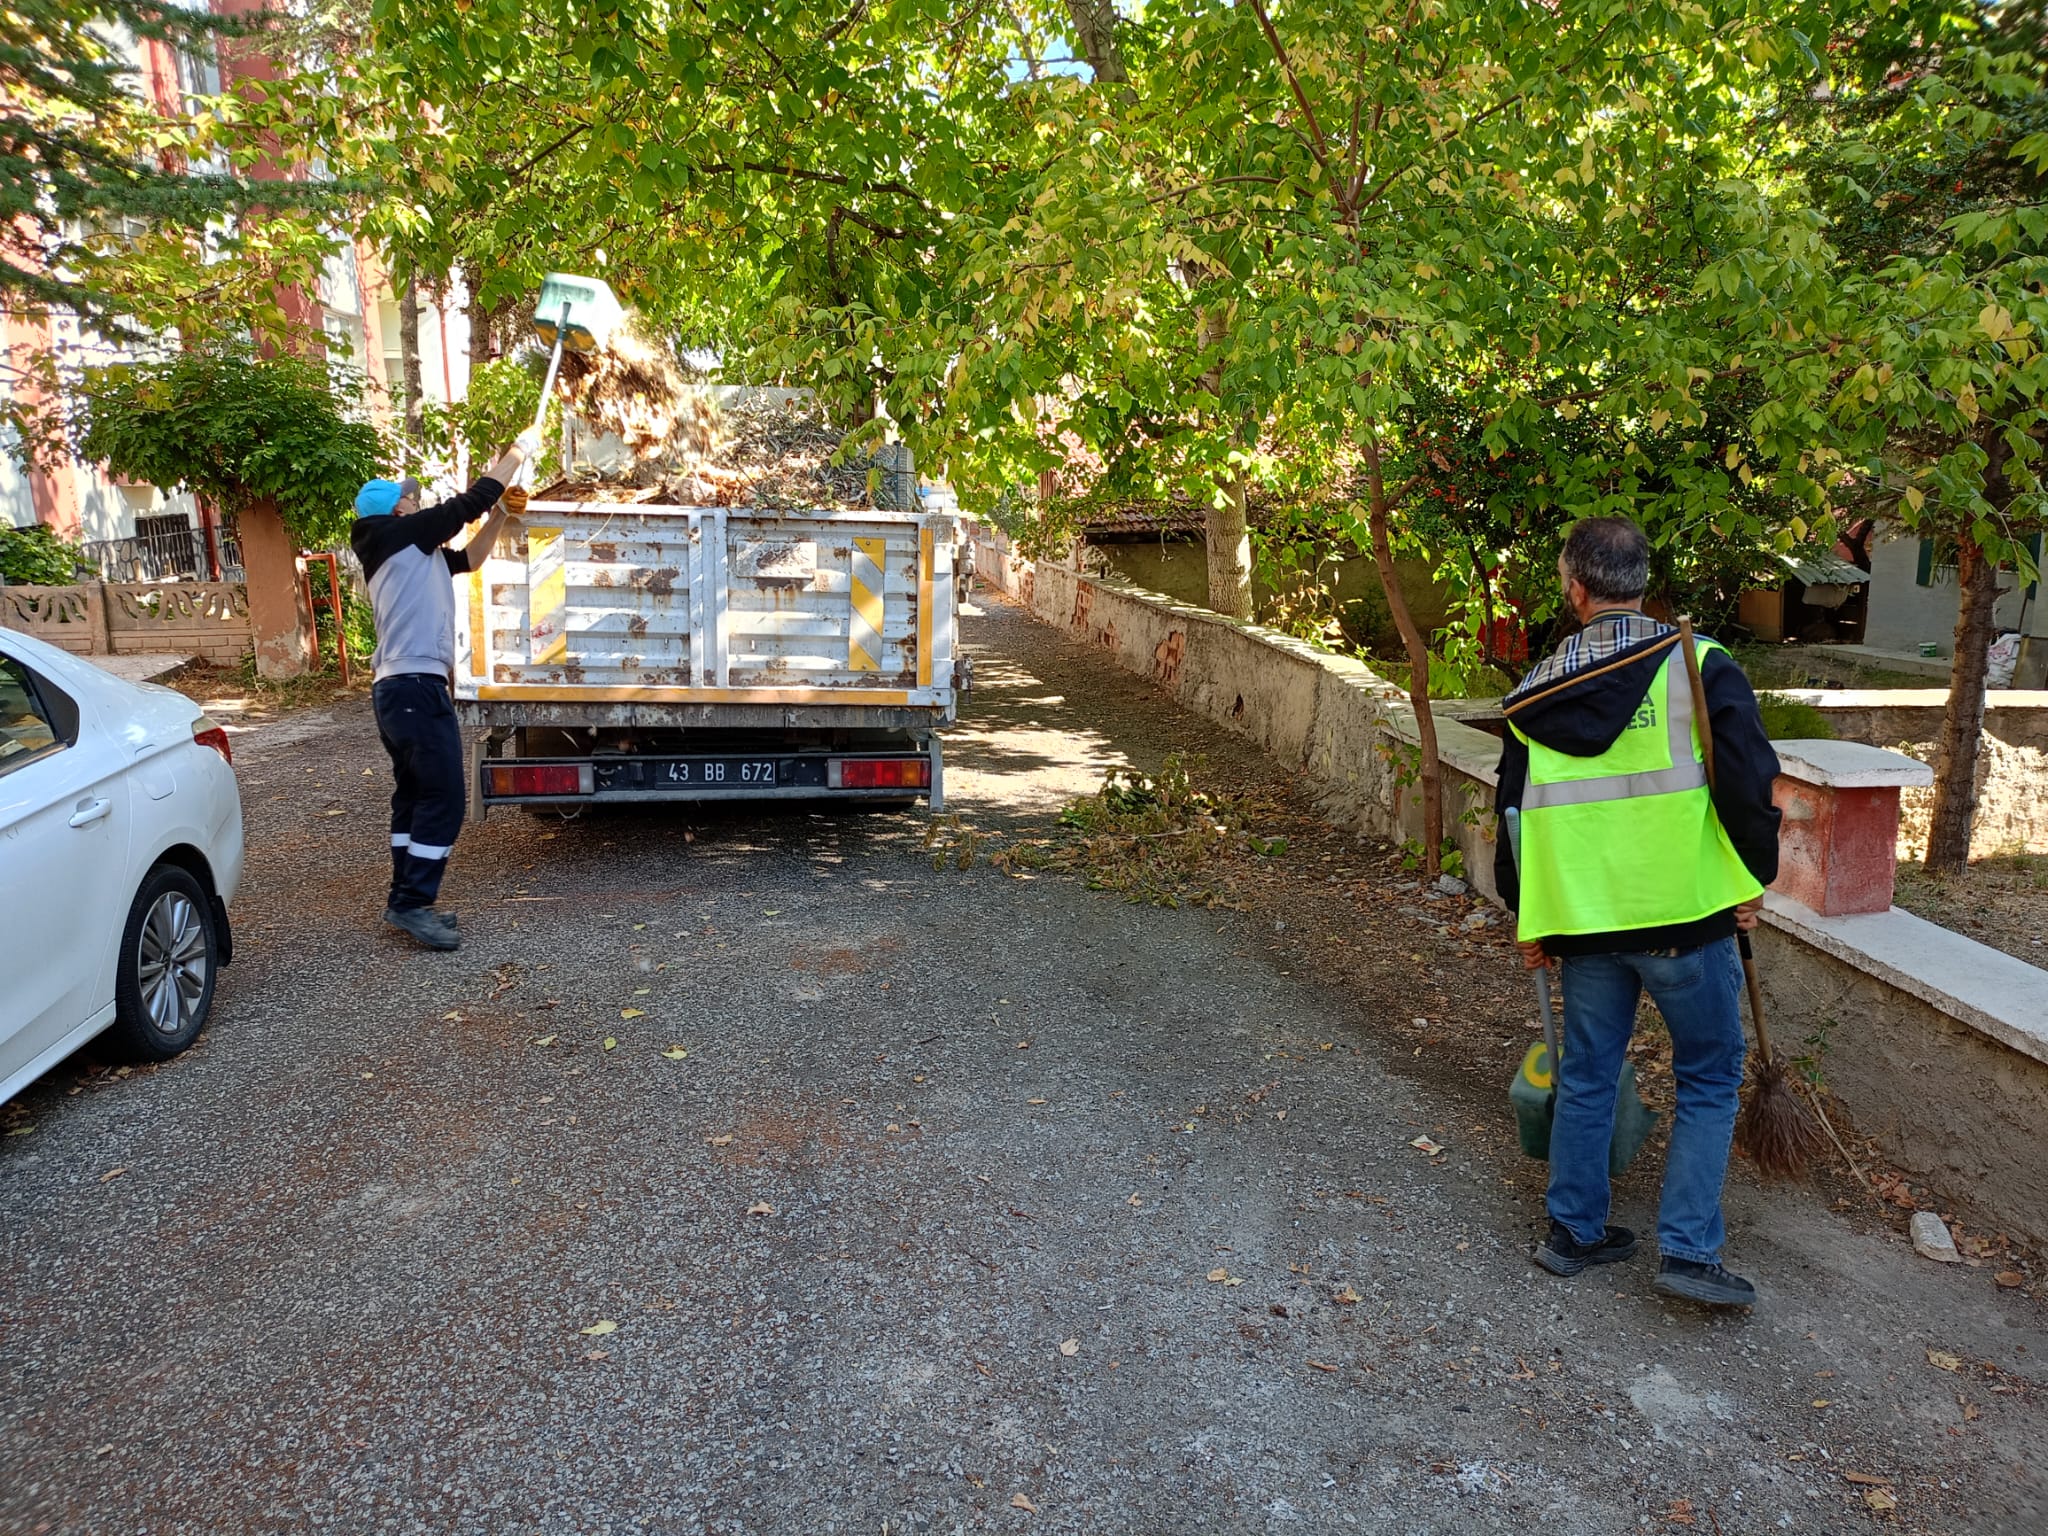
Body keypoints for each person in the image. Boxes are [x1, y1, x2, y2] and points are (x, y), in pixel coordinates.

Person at [1493, 516, 1782, 1310]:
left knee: (1587, 1075)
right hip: (1685, 917)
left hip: (1585, 923)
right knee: (1711, 1075)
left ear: (1574, 590)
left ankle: (1573, 1234)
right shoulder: (1698, 667)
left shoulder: (1535, 694)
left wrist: (1530, 918)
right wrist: (1752, 877)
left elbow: (1513, 812)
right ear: (1643, 584)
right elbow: (1750, 782)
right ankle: (1688, 1254)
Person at [351, 431, 539, 950]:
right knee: (445, 798)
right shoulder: (399, 536)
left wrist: (503, 515)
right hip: (412, 685)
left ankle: (403, 899)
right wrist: (517, 453)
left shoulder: (413, 551)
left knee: (414, 796)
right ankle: (414, 904)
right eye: (407, 495)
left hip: (400, 688)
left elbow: (472, 559)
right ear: (397, 509)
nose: (414, 498)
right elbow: (470, 501)